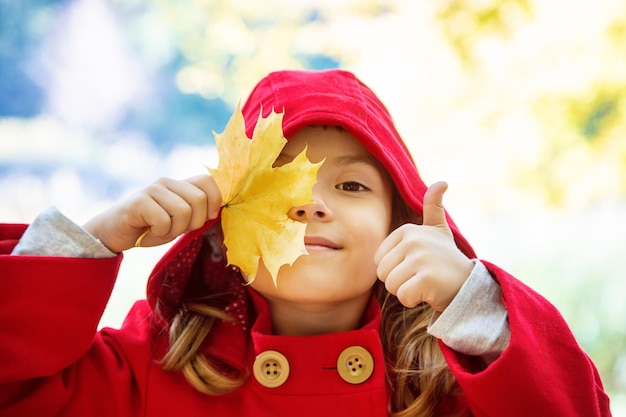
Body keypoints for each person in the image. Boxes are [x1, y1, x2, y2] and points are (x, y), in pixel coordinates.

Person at [0, 69, 611, 417]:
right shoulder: (148, 370)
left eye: (350, 184)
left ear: (402, 223)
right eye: (276, 180)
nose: (312, 202)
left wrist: (475, 306)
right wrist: (91, 242)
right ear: (222, 228)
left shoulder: (453, 384)